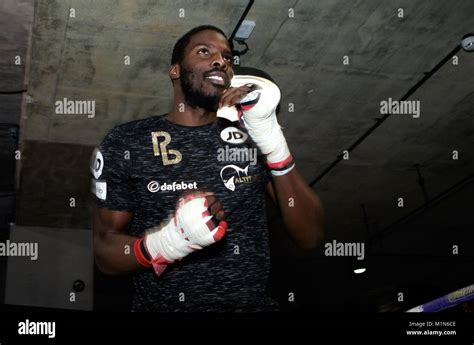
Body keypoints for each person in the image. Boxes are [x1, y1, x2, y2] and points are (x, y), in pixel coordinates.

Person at [91, 25, 324, 312]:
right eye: (205, 51)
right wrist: (170, 242)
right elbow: (105, 253)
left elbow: (311, 236)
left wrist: (272, 141)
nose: (221, 62)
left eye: (228, 58)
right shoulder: (127, 141)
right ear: (175, 70)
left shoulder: (249, 137)